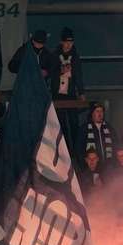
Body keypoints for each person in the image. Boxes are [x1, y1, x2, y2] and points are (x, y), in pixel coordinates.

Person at [53, 28, 84, 156]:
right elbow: (50, 72)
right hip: (58, 94)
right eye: (66, 42)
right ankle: (64, 151)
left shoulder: (75, 56)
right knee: (61, 124)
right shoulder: (55, 55)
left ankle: (76, 151)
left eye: (71, 42)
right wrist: (60, 71)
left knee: (74, 123)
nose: (68, 44)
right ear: (61, 42)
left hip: (71, 94)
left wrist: (81, 93)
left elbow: (78, 76)